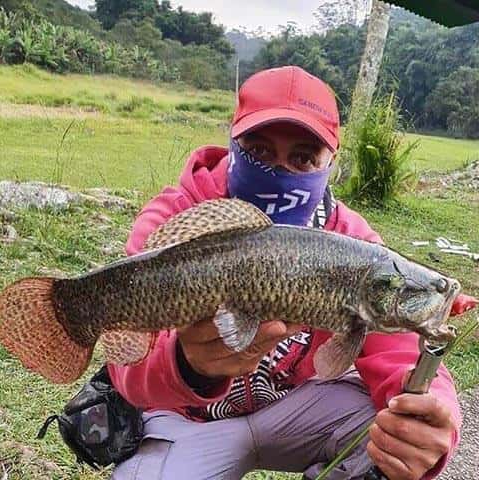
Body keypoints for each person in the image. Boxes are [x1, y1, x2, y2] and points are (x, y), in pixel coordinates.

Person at [108, 66, 470, 480]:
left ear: (329, 163)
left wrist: (430, 421)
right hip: (186, 420)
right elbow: (127, 370)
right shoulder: (176, 219)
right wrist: (189, 365)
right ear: (233, 141)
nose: (277, 169)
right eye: (259, 151)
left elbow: (401, 354)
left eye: (302, 157)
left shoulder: (354, 242)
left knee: (389, 431)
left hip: (292, 412)